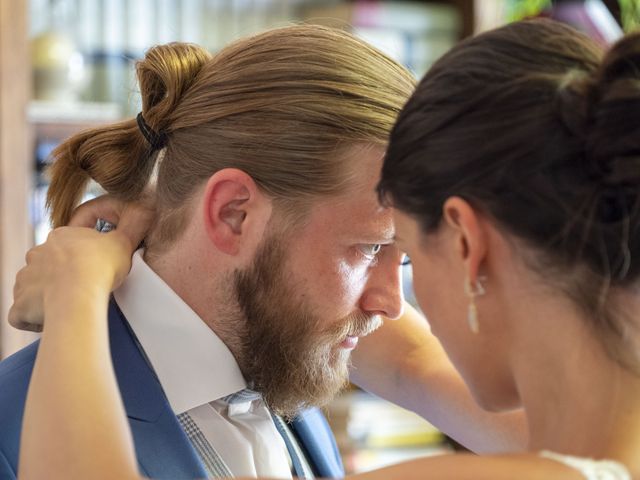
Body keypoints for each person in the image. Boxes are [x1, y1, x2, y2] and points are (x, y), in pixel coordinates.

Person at [12, 17, 640, 479]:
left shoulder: (291, 354)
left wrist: (80, 286)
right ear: (232, 213)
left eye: (408, 256)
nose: (395, 306)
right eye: (371, 249)